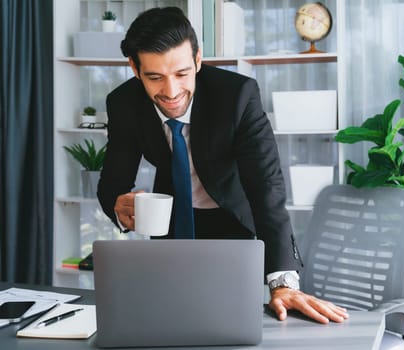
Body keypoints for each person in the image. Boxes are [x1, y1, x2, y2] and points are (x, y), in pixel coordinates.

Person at [97, 6, 348, 324]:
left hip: (233, 222)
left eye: (182, 73)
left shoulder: (237, 96)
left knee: (230, 321)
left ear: (198, 60)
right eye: (155, 77)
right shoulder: (123, 103)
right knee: (172, 320)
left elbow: (266, 185)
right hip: (170, 225)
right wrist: (118, 206)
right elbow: (112, 183)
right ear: (134, 68)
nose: (172, 92)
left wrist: (282, 282)